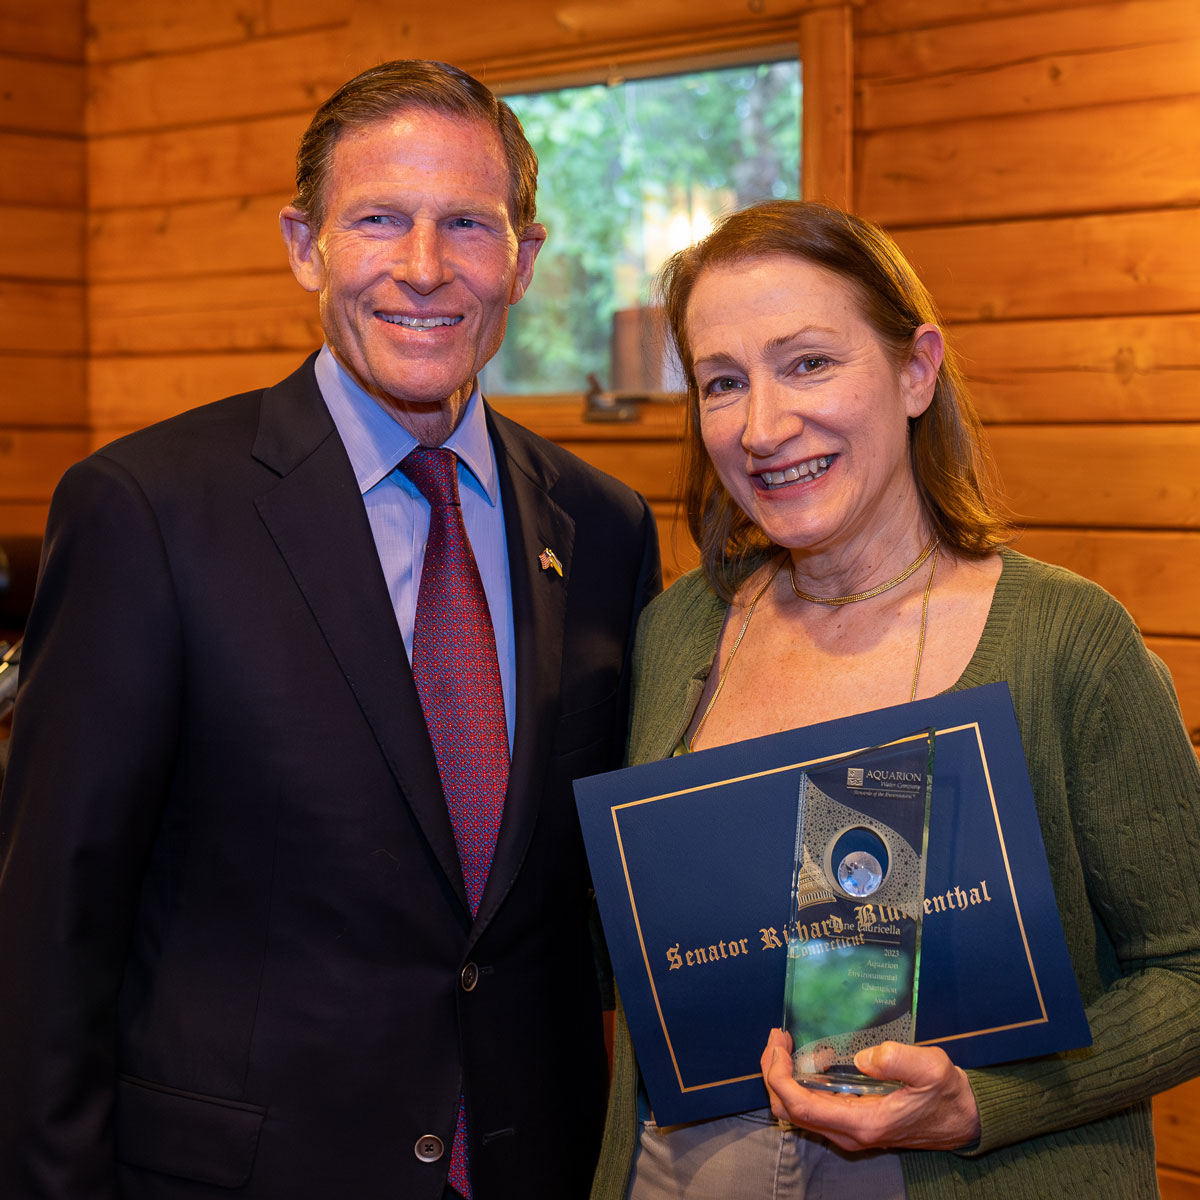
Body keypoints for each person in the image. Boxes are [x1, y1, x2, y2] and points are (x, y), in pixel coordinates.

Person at [0, 60, 660, 1200]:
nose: (423, 267)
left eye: (467, 222)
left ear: (525, 259)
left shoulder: (603, 529)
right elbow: (49, 928)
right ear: (305, 245)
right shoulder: (148, 511)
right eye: (378, 220)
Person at [590, 200, 1200, 1200]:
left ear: (916, 370)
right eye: (723, 383)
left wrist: (986, 1102)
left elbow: (1192, 970)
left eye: (808, 363)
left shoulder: (1063, 641)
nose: (763, 425)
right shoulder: (681, 631)